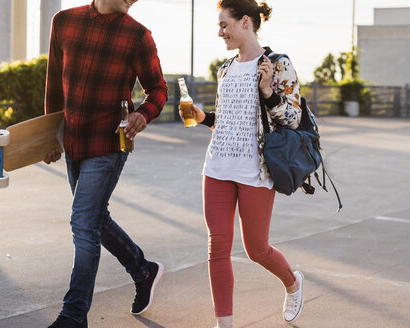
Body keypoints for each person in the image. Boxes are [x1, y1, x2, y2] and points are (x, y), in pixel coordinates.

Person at [44, 0, 168, 327]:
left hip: (111, 143)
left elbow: (158, 89)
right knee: (95, 220)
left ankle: (74, 315)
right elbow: (54, 84)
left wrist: (143, 112)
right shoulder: (64, 22)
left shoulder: (138, 36)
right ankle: (143, 271)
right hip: (73, 142)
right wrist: (47, 136)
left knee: (83, 223)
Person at [181, 1, 305, 327]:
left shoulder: (278, 65)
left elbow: (293, 120)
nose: (219, 32)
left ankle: (292, 283)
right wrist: (203, 116)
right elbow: (228, 121)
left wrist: (268, 92)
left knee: (257, 249)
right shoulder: (225, 68)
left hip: (256, 170)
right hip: (217, 168)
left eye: (224, 25)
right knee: (217, 248)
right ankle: (225, 324)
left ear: (245, 22)